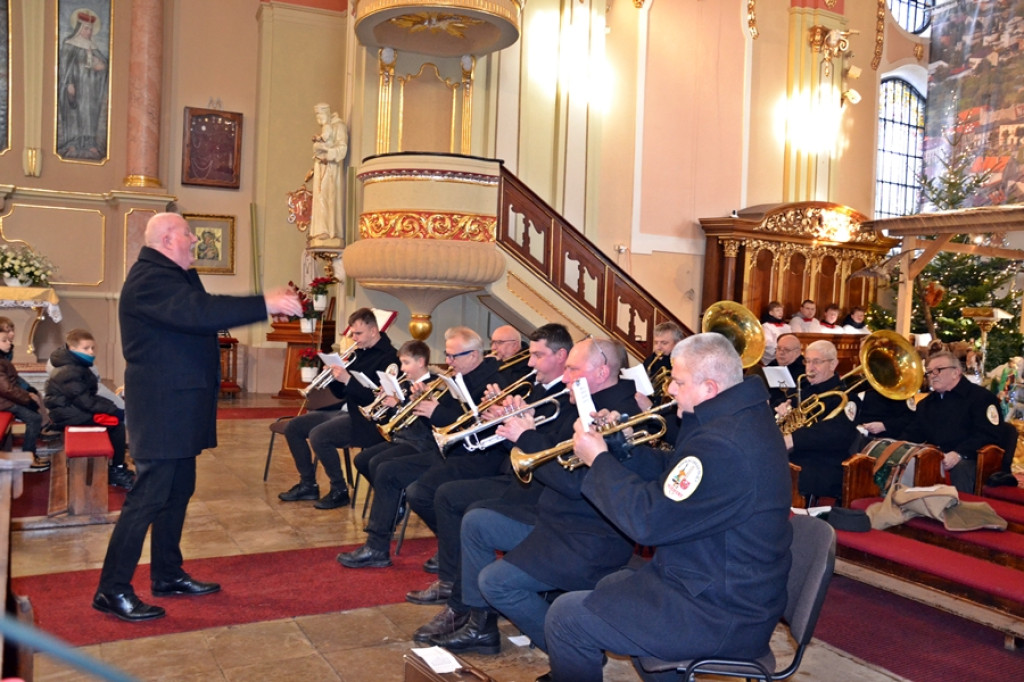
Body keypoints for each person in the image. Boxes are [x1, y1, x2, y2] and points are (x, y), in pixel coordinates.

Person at [542, 333, 792, 682]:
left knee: (567, 616)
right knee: (611, 585)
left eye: (677, 381)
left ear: (709, 388)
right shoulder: (736, 418)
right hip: (717, 580)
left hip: (722, 609)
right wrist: (620, 449)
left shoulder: (724, 443)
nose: (670, 390)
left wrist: (598, 461)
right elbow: (677, 473)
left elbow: (648, 521)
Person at [92, 212, 301, 623]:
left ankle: (167, 573)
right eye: (188, 234)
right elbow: (200, 312)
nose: (193, 240)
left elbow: (200, 313)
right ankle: (111, 589)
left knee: (177, 490)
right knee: (148, 497)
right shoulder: (151, 278)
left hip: (178, 405)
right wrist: (265, 303)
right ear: (168, 239)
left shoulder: (171, 274)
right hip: (162, 407)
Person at [429, 338, 641, 656]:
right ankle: (481, 627)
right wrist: (517, 426)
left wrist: (525, 436)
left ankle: (572, 650)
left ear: (601, 371)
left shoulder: (616, 414)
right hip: (555, 516)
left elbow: (574, 483)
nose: (566, 377)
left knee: (495, 579)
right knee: (477, 521)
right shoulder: (585, 403)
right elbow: (552, 452)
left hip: (582, 535)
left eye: (573, 369)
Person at [405, 324, 572, 618]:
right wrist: (497, 416)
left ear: (561, 356)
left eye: (537, 355)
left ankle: (464, 599)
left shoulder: (566, 397)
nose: (529, 362)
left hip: (534, 485)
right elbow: (507, 438)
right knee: (444, 495)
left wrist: (517, 425)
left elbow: (548, 448)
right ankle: (452, 579)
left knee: (459, 505)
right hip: (515, 473)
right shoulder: (537, 387)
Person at [337, 327, 504, 569]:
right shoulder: (460, 375)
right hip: (446, 449)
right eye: (446, 355)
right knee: (385, 470)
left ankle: (452, 545)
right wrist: (424, 402)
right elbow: (442, 417)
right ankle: (377, 547)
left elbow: (472, 422)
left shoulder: (491, 382)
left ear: (474, 355)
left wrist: (435, 411)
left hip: (471, 455)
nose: (447, 361)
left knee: (415, 489)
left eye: (453, 356)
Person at [278, 307, 398, 509]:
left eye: (358, 334)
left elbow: (376, 399)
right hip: (346, 410)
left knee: (319, 436)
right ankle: (308, 484)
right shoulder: (359, 352)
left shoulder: (389, 359)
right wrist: (333, 376)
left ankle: (339, 490)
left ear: (373, 331)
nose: (354, 338)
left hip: (367, 420)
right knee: (293, 427)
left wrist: (348, 379)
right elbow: (341, 393)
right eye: (352, 333)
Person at [901, 350, 1006, 494]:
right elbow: (914, 432)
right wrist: (898, 446)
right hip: (937, 456)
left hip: (971, 459)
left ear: (956, 372)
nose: (933, 375)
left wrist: (959, 454)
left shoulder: (981, 398)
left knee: (960, 467)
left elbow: (988, 434)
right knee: (906, 462)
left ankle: (960, 513)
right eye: (930, 372)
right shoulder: (927, 404)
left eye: (938, 370)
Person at [44, 328, 133, 489]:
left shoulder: (75, 365)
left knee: (115, 417)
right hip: (67, 414)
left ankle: (115, 465)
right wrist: (113, 410)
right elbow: (86, 401)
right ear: (72, 348)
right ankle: (116, 470)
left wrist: (111, 407)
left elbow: (89, 396)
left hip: (70, 409)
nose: (91, 352)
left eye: (92, 348)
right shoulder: (68, 370)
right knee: (116, 425)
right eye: (86, 348)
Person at [781, 339, 857, 503]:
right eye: (807, 361)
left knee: (779, 473)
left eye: (817, 362)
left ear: (833, 364)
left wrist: (793, 439)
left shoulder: (846, 395)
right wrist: (781, 411)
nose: (810, 367)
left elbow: (836, 433)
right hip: (795, 456)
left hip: (823, 462)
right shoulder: (803, 390)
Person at [57, 8, 109, 160]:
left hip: (91, 89)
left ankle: (89, 142)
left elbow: (104, 65)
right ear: (79, 28)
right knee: (75, 114)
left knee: (89, 115)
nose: (89, 32)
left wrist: (101, 65)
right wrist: (69, 84)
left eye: (91, 29)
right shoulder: (69, 44)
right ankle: (72, 142)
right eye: (87, 28)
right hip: (76, 86)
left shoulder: (93, 46)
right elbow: (65, 68)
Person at [0, 334, 46, 471]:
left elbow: (12, 383)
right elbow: (7, 389)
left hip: (5, 399)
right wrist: (27, 399)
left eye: (10, 341)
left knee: (35, 412)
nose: (9, 343)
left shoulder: (3, 359)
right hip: (4, 402)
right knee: (34, 418)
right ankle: (28, 458)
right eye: (4, 341)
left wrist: (28, 394)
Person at [308, 103, 347, 241]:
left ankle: (329, 230)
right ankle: (320, 230)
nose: (319, 119)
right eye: (317, 116)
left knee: (328, 197)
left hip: (332, 169)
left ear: (327, 114)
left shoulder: (339, 127)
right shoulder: (326, 128)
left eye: (320, 115)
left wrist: (327, 152)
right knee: (319, 198)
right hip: (321, 167)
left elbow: (342, 149)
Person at [763, 333, 805, 407]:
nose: (781, 353)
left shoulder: (804, 370)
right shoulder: (772, 365)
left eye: (786, 350)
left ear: (797, 352)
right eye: (778, 348)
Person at [760, 301, 792, 365]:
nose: (780, 313)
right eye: (777, 310)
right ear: (771, 313)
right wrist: (781, 350)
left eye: (781, 310)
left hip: (787, 353)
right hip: (773, 355)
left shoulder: (787, 327)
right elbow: (768, 343)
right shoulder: (766, 326)